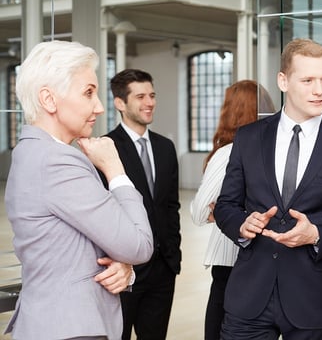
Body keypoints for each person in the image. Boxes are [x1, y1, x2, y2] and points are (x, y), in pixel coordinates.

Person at [213, 38, 322, 340]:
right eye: (308, 80)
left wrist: (316, 235)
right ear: (283, 81)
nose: (319, 90)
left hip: (313, 301)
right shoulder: (248, 138)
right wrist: (242, 225)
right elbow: (226, 206)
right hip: (249, 298)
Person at [4, 40, 154, 339]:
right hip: (71, 326)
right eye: (88, 93)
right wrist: (115, 169)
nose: (99, 106)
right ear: (49, 100)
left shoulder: (34, 153)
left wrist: (124, 267)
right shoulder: (56, 161)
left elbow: (83, 248)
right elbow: (139, 244)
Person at [190, 80, 275, 340]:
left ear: (232, 110)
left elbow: (197, 212)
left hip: (230, 264)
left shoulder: (228, 152)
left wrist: (224, 212)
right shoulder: (273, 150)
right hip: (268, 262)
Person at [101, 69, 182, 340]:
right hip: (124, 270)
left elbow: (170, 206)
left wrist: (174, 257)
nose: (149, 102)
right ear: (120, 103)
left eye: (152, 95)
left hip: (163, 269)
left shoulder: (165, 147)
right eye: (140, 96)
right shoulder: (106, 147)